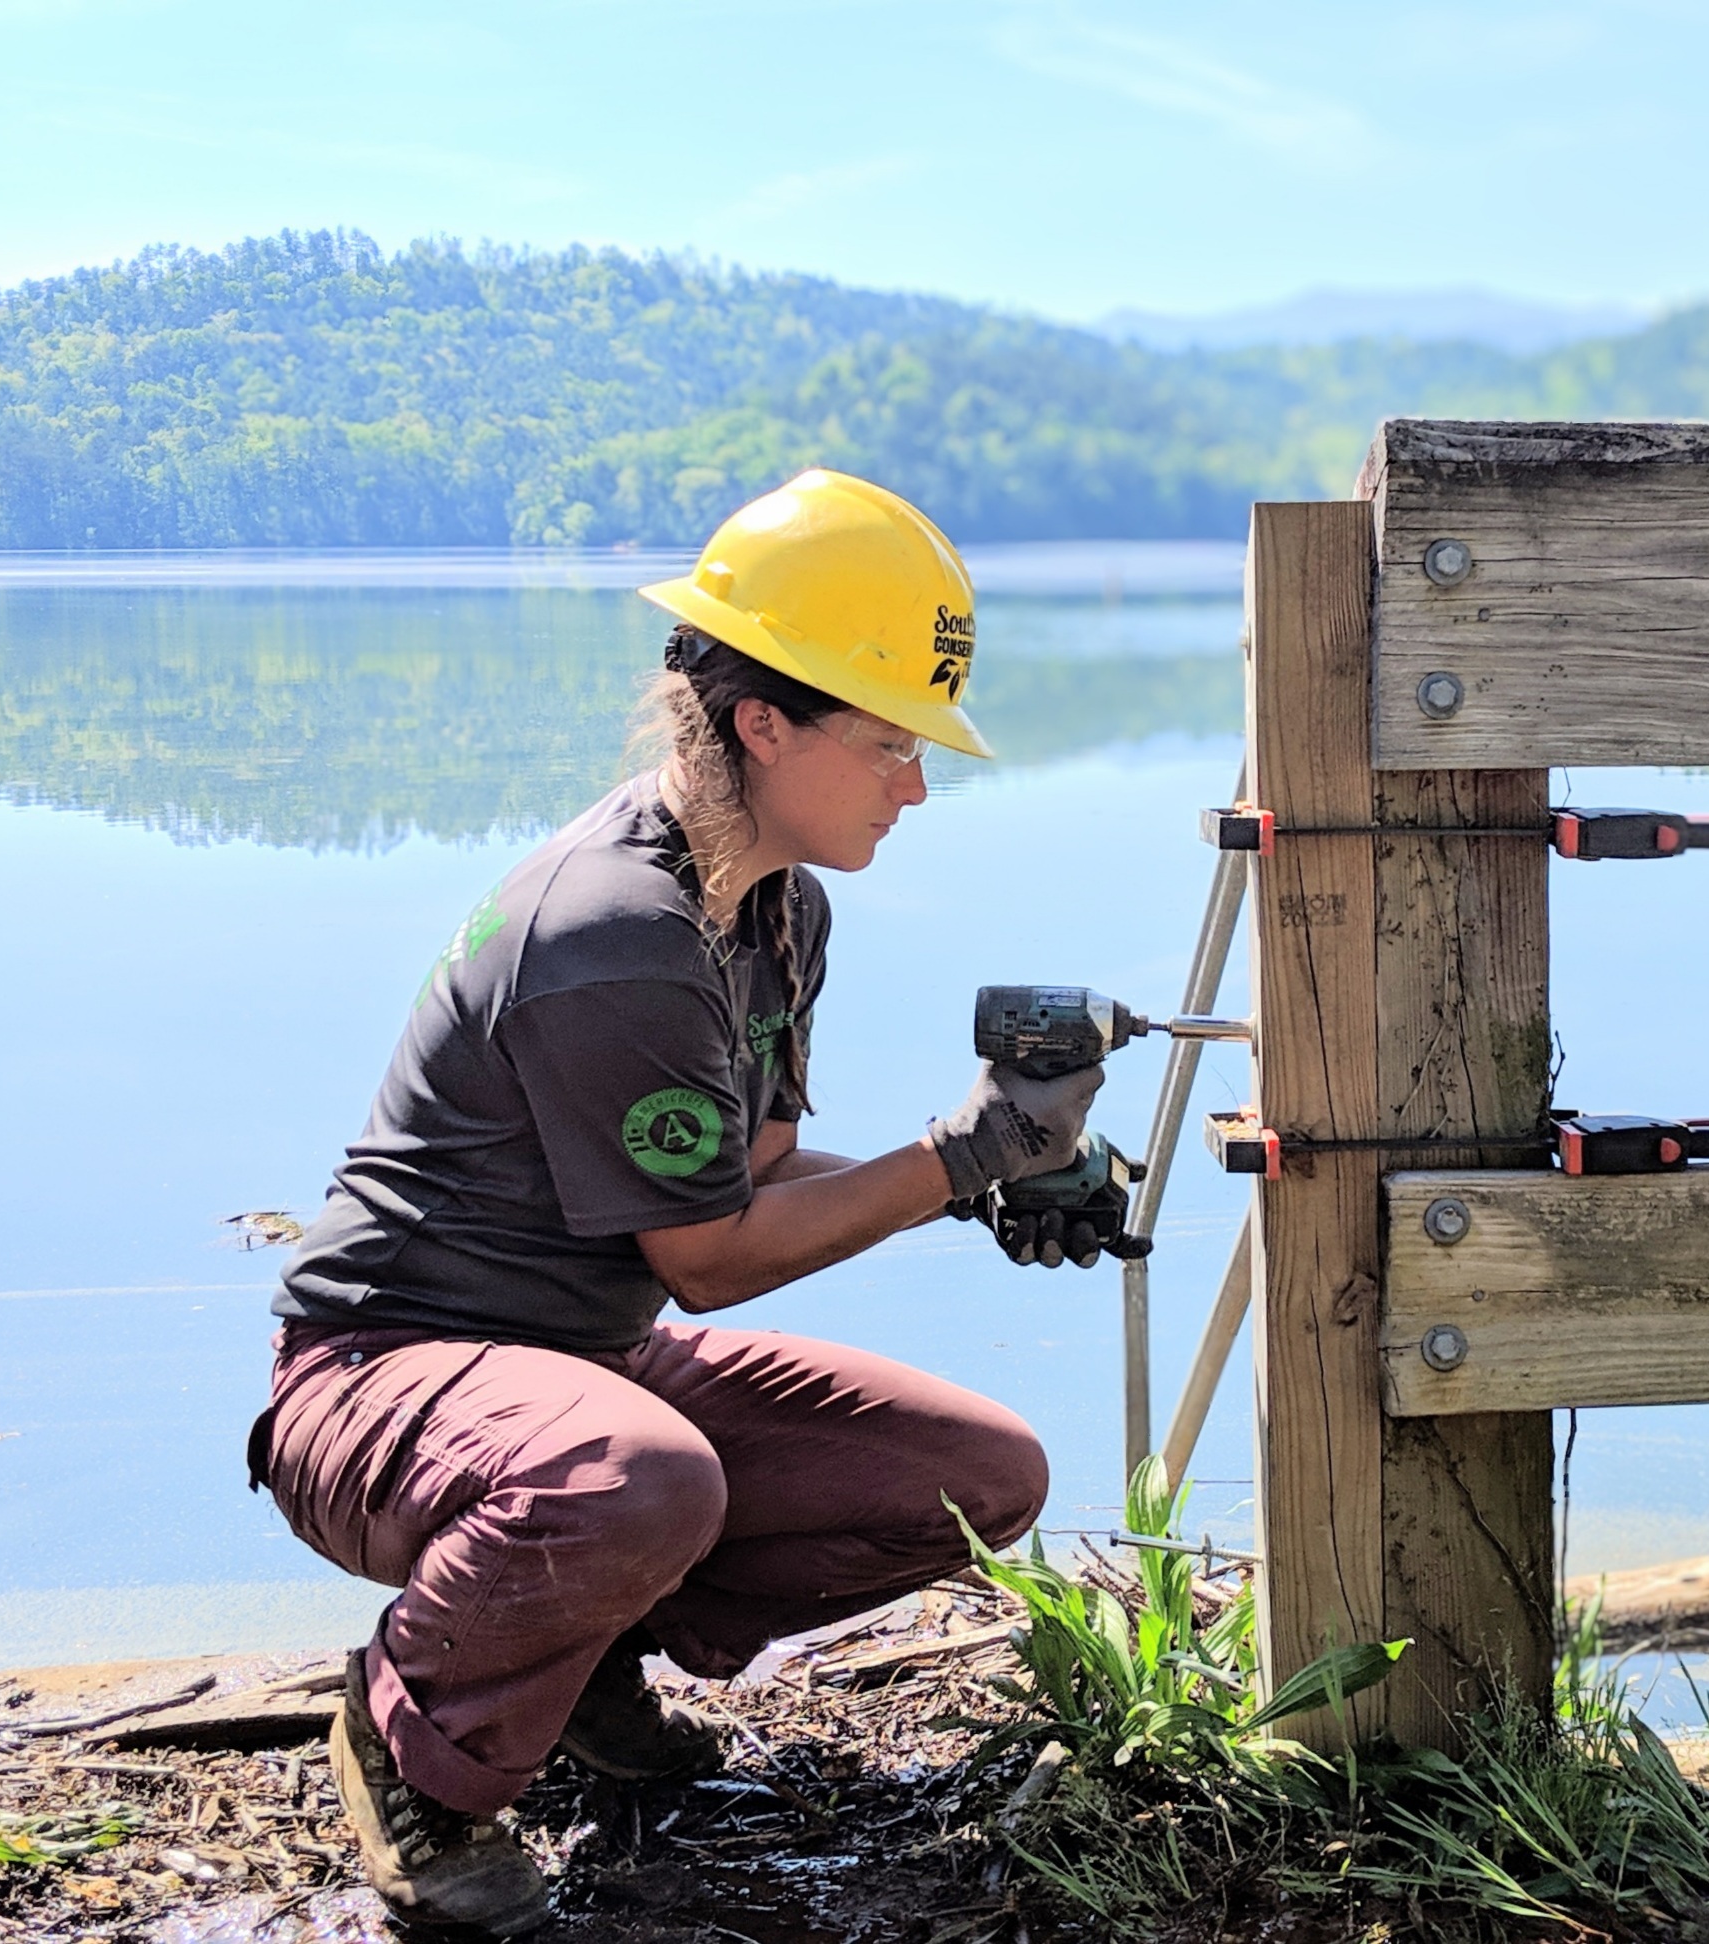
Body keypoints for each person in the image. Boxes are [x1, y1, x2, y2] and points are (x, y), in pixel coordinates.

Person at [248, 471, 1100, 1934]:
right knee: (639, 1478)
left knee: (981, 1474)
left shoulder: (775, 902)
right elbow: (706, 1261)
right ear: (763, 721)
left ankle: (569, 1665)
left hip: (581, 1372)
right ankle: (412, 1749)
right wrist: (962, 1157)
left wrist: (992, 1183)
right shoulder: (616, 931)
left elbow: (750, 1176)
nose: (915, 784)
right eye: (891, 742)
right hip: (376, 1379)